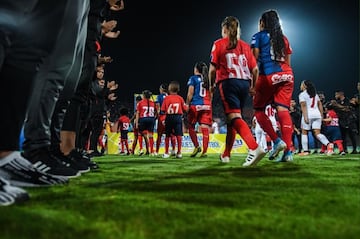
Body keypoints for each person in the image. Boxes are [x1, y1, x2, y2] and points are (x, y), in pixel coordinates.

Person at [209, 16, 266, 166]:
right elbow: (255, 69)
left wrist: (211, 85)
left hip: (228, 82)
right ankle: (226, 154)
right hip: (244, 84)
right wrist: (253, 86)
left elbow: (212, 69)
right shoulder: (246, 46)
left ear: (225, 29)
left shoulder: (219, 43)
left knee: (234, 117)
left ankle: (254, 148)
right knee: (232, 120)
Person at [250, 9, 294, 162]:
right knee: (283, 110)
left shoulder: (258, 37)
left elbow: (254, 63)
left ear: (262, 22)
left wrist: (252, 84)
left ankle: (276, 141)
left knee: (258, 110)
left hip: (268, 75)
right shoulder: (284, 38)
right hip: (287, 74)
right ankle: (288, 153)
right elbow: (288, 61)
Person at [298, 80, 334, 156]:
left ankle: (306, 151)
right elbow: (320, 104)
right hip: (317, 114)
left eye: (302, 84)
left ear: (305, 86)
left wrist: (305, 116)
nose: (300, 86)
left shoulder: (302, 94)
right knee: (317, 133)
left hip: (308, 114)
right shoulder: (315, 94)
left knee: (304, 132)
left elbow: (303, 106)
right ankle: (329, 144)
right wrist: (321, 115)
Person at [186, 62, 212, 158]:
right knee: (205, 128)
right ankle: (204, 152)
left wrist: (187, 104)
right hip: (207, 105)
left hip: (196, 105)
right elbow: (211, 94)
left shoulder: (193, 78)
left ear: (196, 69)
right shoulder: (208, 80)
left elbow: (190, 93)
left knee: (191, 126)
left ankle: (197, 146)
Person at [161, 81, 188, 158]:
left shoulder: (166, 98)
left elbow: (163, 109)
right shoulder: (180, 98)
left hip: (169, 117)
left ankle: (166, 153)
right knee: (179, 135)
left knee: (167, 135)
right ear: (178, 89)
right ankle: (179, 153)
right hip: (178, 117)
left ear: (169, 89)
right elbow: (185, 109)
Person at [154, 83, 176, 156]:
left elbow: (158, 107)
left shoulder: (159, 97)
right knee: (171, 134)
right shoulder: (170, 96)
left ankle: (157, 151)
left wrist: (157, 115)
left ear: (161, 89)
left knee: (160, 135)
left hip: (162, 116)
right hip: (171, 116)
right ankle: (173, 150)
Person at [135, 90, 157, 155]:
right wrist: (154, 118)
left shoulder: (140, 103)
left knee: (141, 134)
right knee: (150, 135)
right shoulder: (153, 103)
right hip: (151, 119)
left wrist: (136, 123)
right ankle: (152, 151)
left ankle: (141, 149)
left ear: (144, 96)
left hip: (143, 119)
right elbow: (156, 112)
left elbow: (137, 113)